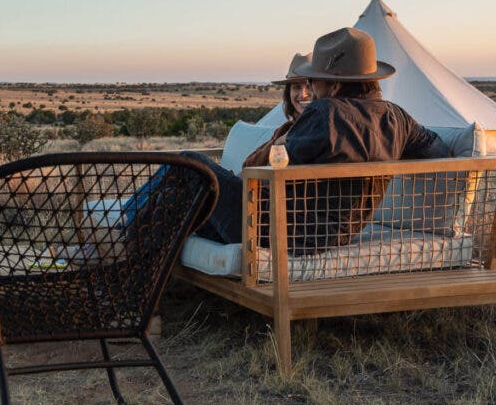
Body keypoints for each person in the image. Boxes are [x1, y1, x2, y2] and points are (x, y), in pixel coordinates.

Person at [184, 27, 450, 253]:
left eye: (311, 80)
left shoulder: (325, 114)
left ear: (334, 85)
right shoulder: (398, 118)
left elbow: (263, 169)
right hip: (337, 233)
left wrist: (285, 136)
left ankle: (145, 282)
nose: (309, 88)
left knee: (189, 164)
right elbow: (439, 150)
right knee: (185, 204)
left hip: (282, 229)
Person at [240, 52, 312, 169]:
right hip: (250, 184)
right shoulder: (285, 129)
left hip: (272, 186)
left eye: (309, 86)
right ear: (288, 93)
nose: (303, 95)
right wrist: (277, 142)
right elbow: (248, 165)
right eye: (296, 87)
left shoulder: (321, 130)